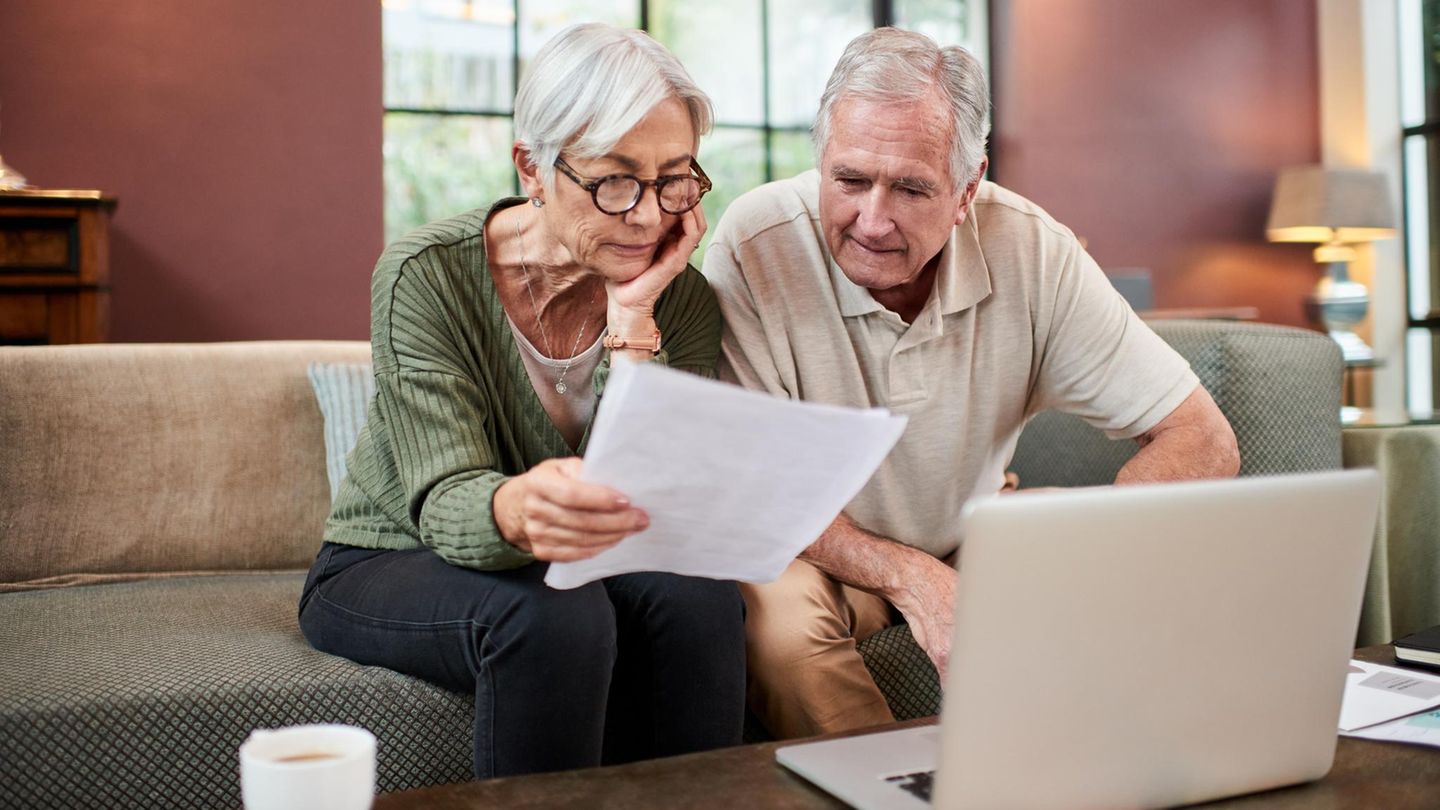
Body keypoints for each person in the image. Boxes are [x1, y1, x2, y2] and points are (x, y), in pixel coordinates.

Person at [702, 28, 1241, 740]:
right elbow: (757, 489)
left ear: (966, 190)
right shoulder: (755, 242)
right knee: (774, 618)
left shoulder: (1032, 248)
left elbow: (1203, 438)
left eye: (912, 189)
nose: (872, 219)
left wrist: (1097, 543)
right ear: (822, 161)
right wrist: (908, 577)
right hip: (818, 551)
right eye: (850, 179)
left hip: (974, 534)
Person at [298, 23, 745, 778]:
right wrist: (516, 507)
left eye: (674, 178)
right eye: (614, 180)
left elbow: (656, 496)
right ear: (532, 169)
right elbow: (442, 498)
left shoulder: (683, 299)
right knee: (551, 613)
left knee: (701, 600)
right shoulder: (425, 273)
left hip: (580, 559)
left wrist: (633, 319)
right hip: (392, 556)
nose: (647, 215)